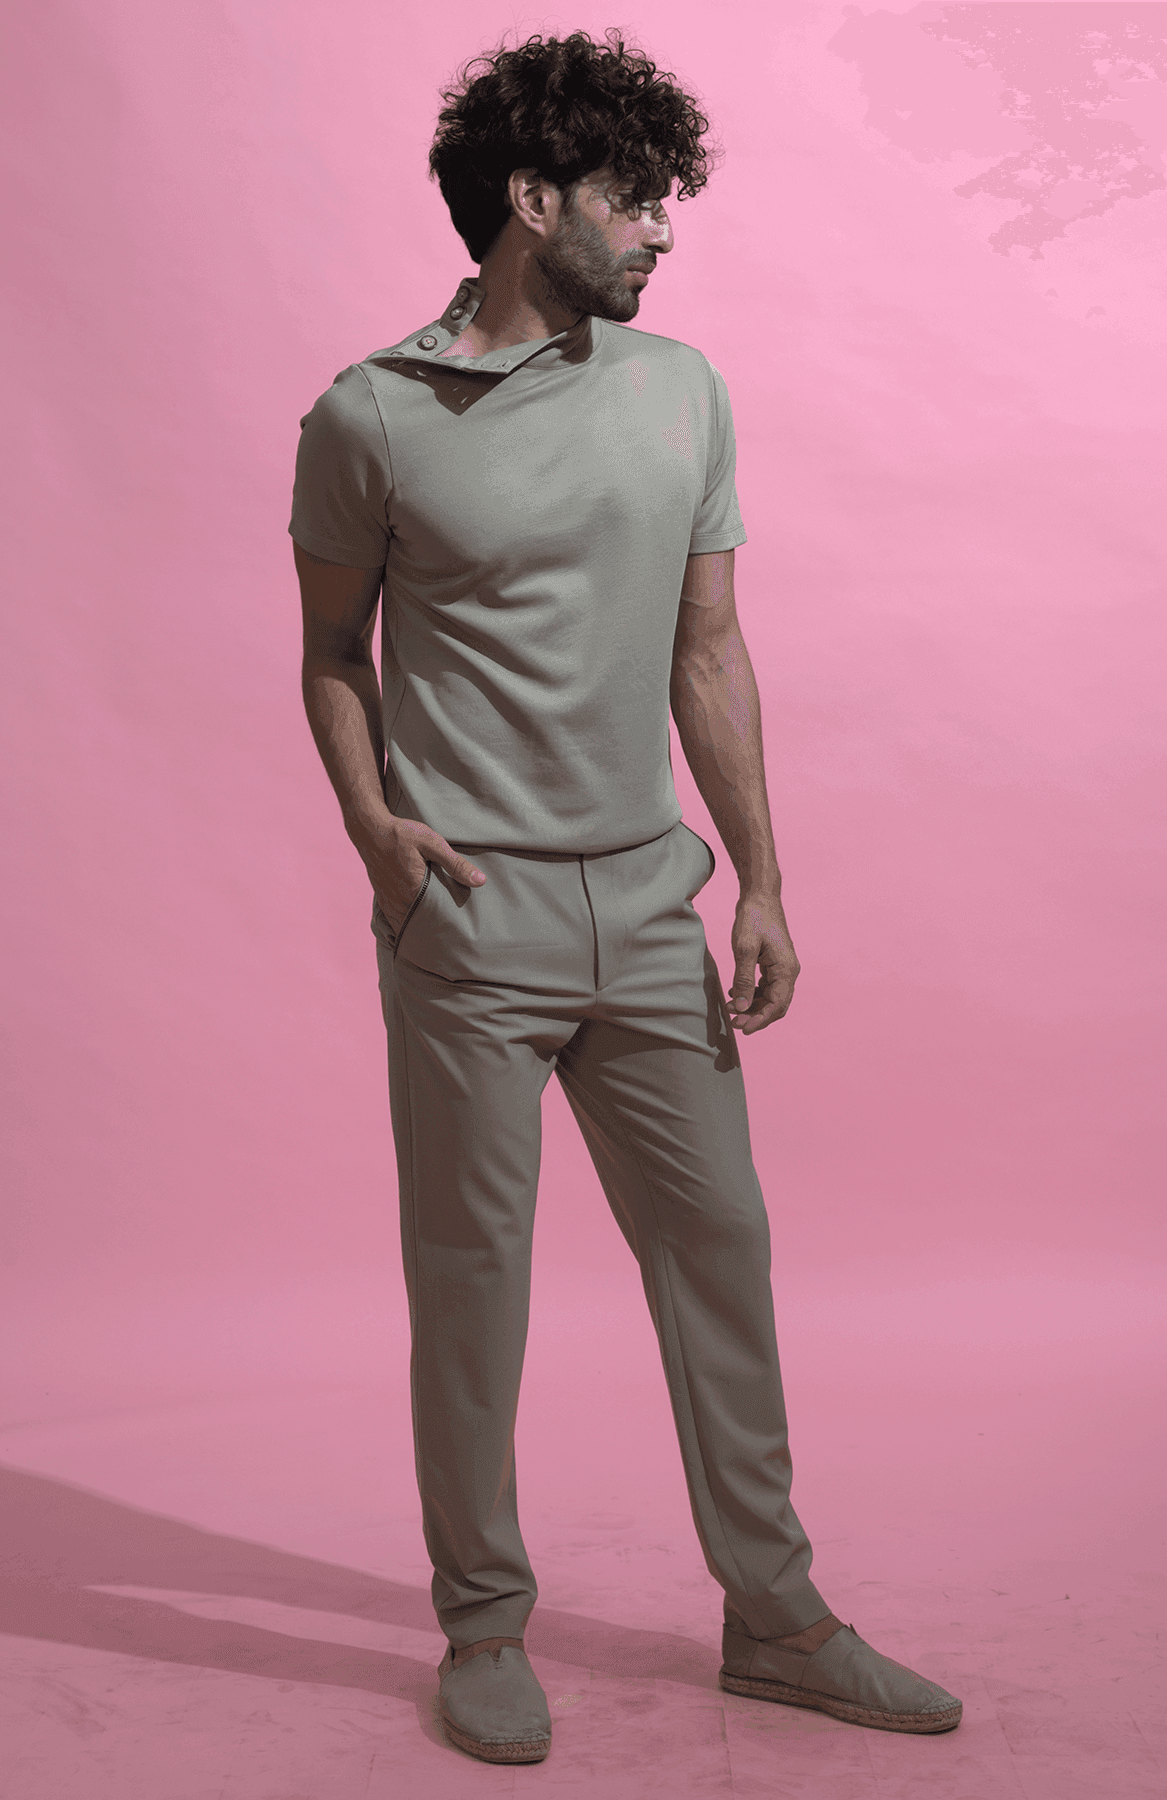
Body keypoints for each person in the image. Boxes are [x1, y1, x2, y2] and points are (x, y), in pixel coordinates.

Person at [289, 28, 962, 1767]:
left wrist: (764, 877)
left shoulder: (683, 390)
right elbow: (332, 652)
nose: (662, 229)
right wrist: (375, 830)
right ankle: (483, 1625)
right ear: (533, 199)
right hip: (471, 924)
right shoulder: (371, 414)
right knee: (474, 1284)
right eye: (634, 197)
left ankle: (779, 1621)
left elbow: (708, 647)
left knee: (721, 1252)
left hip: (652, 912)